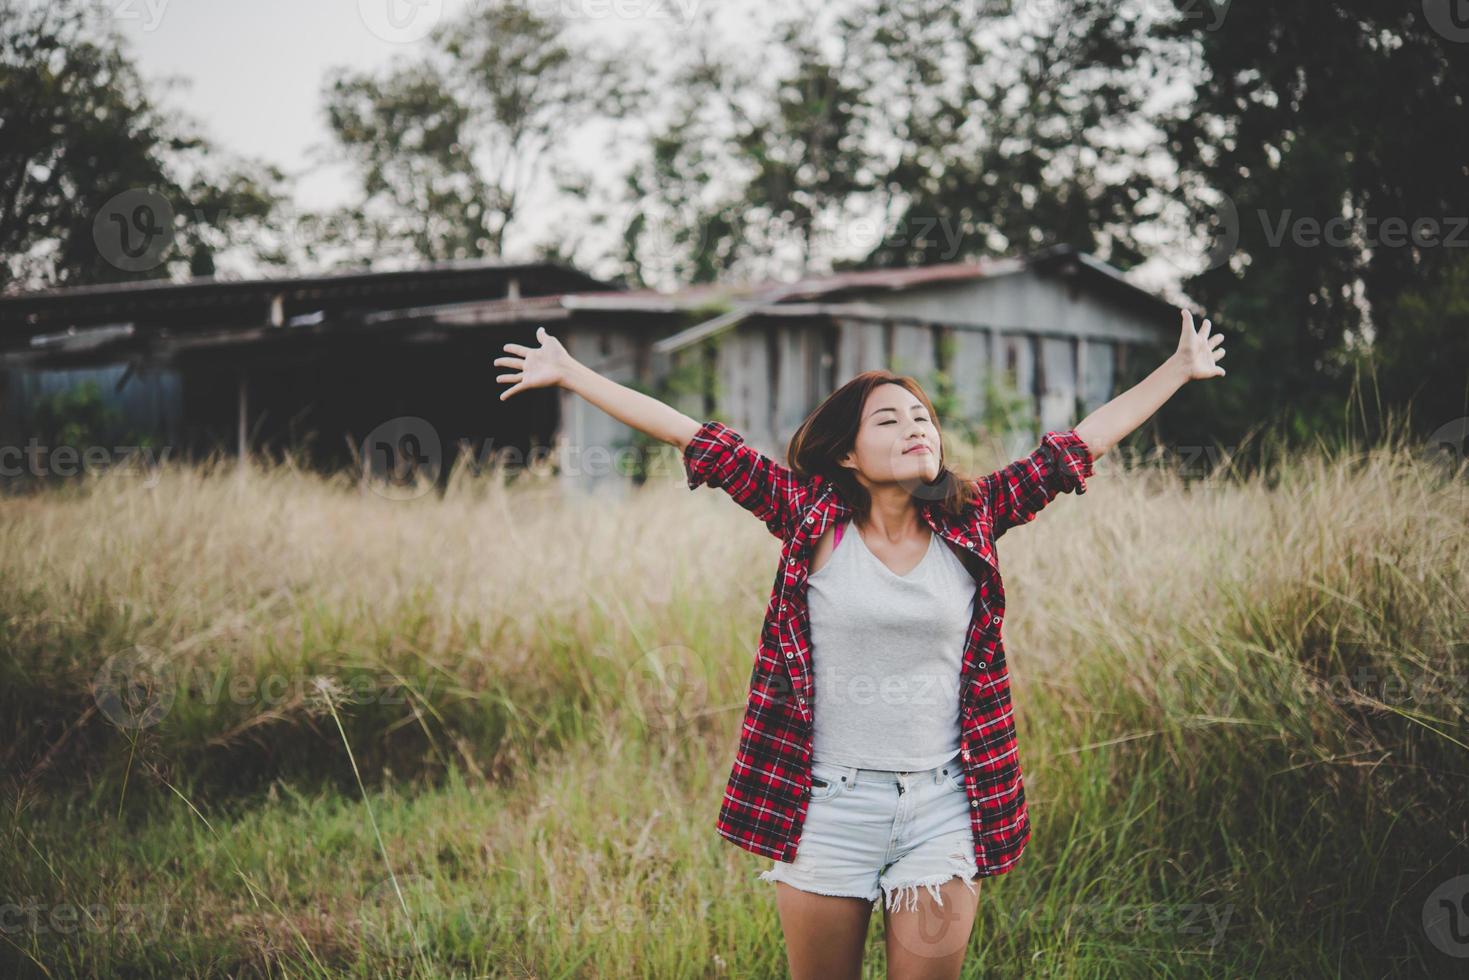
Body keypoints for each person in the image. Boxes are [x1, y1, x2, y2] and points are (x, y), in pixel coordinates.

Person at [495, 310, 1226, 980]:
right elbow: (696, 439)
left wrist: (1178, 367)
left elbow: (1077, 446)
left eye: (922, 416)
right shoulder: (806, 518)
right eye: (889, 419)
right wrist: (571, 372)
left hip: (941, 805)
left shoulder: (976, 514)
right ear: (846, 454)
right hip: (827, 808)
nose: (916, 428)